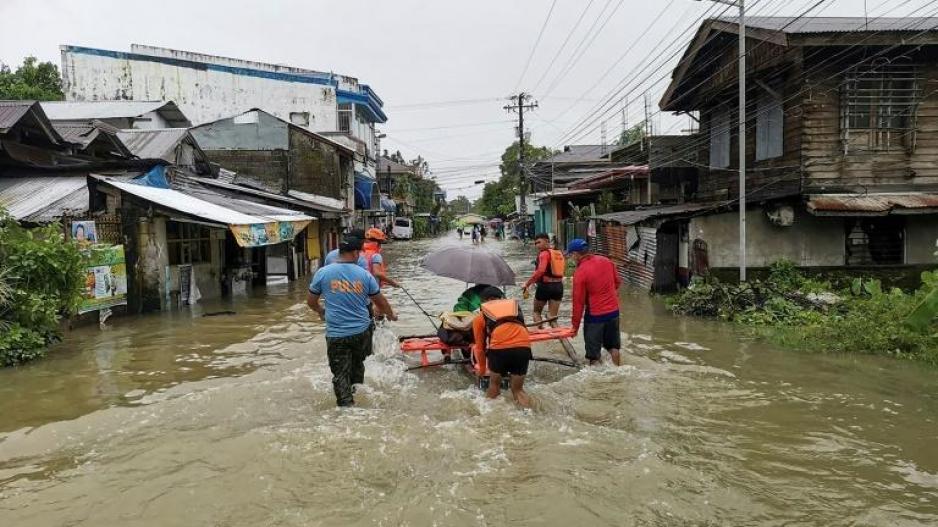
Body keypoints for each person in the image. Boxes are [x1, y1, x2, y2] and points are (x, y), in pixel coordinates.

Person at [307, 235, 397, 407]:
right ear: (356, 253)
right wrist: (391, 315)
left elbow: (311, 301)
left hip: (336, 335)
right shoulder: (364, 275)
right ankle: (357, 394)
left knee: (340, 374)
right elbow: (380, 302)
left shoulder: (323, 273)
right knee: (358, 366)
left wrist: (321, 311)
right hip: (361, 332)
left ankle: (346, 408)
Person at [471, 287, 532, 407]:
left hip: (499, 349)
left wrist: (482, 370)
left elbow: (480, 348)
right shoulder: (515, 309)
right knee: (518, 390)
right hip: (523, 347)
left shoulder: (480, 317)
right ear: (501, 298)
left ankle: (488, 416)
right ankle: (531, 414)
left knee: (494, 386)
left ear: (484, 301)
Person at [567, 238, 622, 366]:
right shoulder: (606, 261)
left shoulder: (580, 273)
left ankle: (596, 383)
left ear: (576, 254)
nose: (571, 258)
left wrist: (574, 327)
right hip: (614, 312)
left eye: (570, 255)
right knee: (614, 347)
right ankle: (618, 371)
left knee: (593, 355)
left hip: (595, 317)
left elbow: (578, 303)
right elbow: (617, 282)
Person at [522, 233, 565, 328]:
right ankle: (558, 335)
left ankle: (541, 333)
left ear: (546, 241)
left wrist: (527, 283)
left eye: (539, 242)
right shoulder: (558, 253)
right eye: (535, 243)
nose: (537, 245)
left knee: (536, 312)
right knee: (552, 317)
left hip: (545, 287)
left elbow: (540, 271)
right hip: (558, 286)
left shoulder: (544, 254)